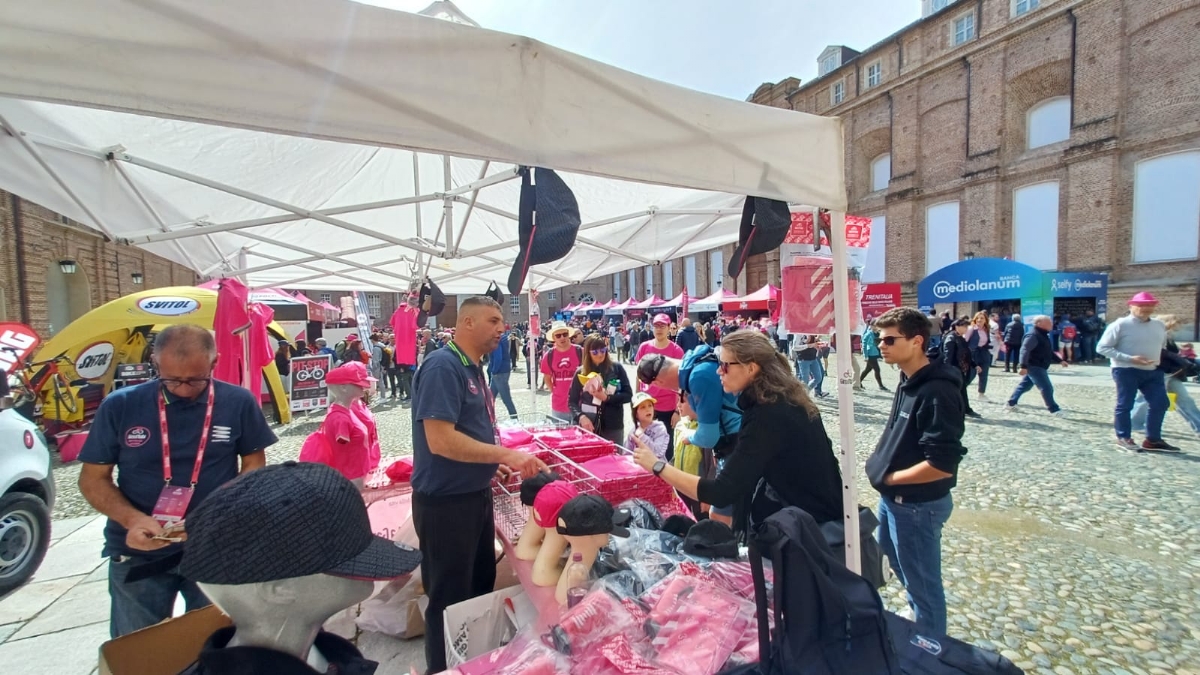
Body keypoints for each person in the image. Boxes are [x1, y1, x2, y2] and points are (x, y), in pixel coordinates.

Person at [77, 324, 276, 638]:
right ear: (155, 362)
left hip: (213, 548)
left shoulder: (238, 402)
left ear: (214, 363)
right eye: (172, 379)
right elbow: (93, 479)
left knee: (217, 646)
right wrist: (132, 519)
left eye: (196, 379)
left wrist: (219, 511)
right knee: (141, 653)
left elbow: (253, 463)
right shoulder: (121, 405)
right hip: (139, 554)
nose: (183, 388)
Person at [409, 296, 548, 674]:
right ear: (466, 323)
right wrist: (504, 456)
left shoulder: (473, 369)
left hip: (472, 497)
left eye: (502, 320)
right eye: (493, 320)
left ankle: (470, 664)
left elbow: (468, 433)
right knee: (450, 599)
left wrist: (489, 467)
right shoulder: (443, 366)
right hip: (446, 505)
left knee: (477, 587)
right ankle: (442, 667)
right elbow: (440, 440)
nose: (502, 328)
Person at [633, 330, 843, 531]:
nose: (718, 371)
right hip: (806, 515)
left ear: (751, 368)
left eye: (724, 366)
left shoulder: (769, 414)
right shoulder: (776, 398)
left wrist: (658, 466)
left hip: (813, 526)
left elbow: (722, 492)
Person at [865, 307, 967, 636]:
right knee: (897, 564)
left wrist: (893, 478)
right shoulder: (908, 378)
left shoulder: (937, 391)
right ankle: (920, 621)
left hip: (917, 504)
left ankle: (932, 648)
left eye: (890, 339)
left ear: (917, 341)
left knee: (924, 585)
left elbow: (942, 464)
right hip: (894, 500)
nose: (882, 345)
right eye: (880, 339)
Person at [638, 344, 744, 525]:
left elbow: (708, 436)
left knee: (719, 516)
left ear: (658, 383)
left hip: (736, 441)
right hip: (738, 435)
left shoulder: (698, 376)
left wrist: (689, 436)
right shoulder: (694, 359)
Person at [1097, 292, 1178, 453]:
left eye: (1149, 305)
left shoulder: (1159, 325)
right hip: (1126, 370)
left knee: (1161, 403)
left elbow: (1161, 347)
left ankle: (1153, 439)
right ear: (1131, 306)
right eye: (1141, 305)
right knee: (1125, 404)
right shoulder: (1120, 324)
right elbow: (1102, 348)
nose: (1146, 308)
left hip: (1152, 370)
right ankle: (1123, 437)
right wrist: (1129, 358)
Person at [1130, 315, 1200, 439]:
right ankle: (1134, 423)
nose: (1178, 328)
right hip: (1157, 371)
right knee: (1146, 399)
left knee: (1184, 400)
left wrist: (1181, 353)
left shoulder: (1168, 336)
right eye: (1176, 325)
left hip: (1170, 373)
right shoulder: (1155, 335)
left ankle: (1198, 426)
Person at [634, 314, 685, 454]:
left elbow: (681, 382)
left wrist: (677, 410)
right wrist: (637, 397)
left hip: (667, 407)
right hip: (646, 404)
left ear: (669, 328)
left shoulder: (676, 351)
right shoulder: (644, 347)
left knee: (664, 448)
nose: (659, 329)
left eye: (663, 326)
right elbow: (638, 375)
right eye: (656, 326)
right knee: (643, 443)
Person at [567, 335, 632, 442]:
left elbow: (628, 395)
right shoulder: (580, 372)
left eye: (603, 350)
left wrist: (607, 398)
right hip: (589, 425)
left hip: (613, 426)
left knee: (614, 457)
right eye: (595, 352)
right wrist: (581, 417)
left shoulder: (617, 368)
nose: (600, 354)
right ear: (588, 353)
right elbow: (571, 401)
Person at [1004, 315, 1068, 416]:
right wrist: (1023, 366)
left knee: (1024, 386)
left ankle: (1011, 403)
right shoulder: (1033, 335)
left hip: (1039, 365)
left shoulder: (1042, 334)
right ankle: (1054, 409)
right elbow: (1024, 350)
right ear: (1039, 324)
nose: (1051, 324)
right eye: (1048, 322)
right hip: (1034, 366)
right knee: (1046, 387)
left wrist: (1060, 361)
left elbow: (1048, 351)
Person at [540, 321, 582, 422]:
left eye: (565, 334)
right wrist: (555, 391)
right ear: (554, 338)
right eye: (558, 335)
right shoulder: (549, 356)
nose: (562, 338)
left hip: (579, 405)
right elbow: (547, 378)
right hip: (559, 407)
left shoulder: (580, 351)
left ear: (569, 335)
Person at [943, 318, 982, 418]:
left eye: (966, 327)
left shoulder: (960, 337)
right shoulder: (951, 338)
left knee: (961, 389)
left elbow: (966, 354)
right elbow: (948, 356)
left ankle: (965, 409)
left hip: (961, 369)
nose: (966, 329)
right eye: (964, 326)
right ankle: (954, 410)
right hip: (954, 369)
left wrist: (974, 365)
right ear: (957, 326)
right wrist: (948, 371)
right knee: (955, 391)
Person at [625, 392, 670, 459]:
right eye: (643, 407)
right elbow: (627, 455)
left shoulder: (660, 428)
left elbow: (658, 452)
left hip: (656, 468)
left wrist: (642, 436)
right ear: (636, 414)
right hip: (638, 468)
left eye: (650, 405)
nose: (648, 409)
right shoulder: (633, 432)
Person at [487, 326, 518, 419]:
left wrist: (494, 370)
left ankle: (515, 420)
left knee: (506, 398)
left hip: (499, 372)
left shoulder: (496, 340)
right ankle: (489, 419)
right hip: (502, 371)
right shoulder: (502, 338)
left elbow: (498, 357)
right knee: (490, 398)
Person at [965, 311, 993, 401]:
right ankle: (960, 390)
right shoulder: (971, 329)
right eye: (978, 318)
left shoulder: (986, 329)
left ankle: (981, 394)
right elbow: (965, 341)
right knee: (971, 374)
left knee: (984, 374)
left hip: (984, 353)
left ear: (985, 320)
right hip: (974, 353)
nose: (979, 320)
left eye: (982, 318)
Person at [860, 321, 888, 390]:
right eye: (874, 326)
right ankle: (881, 386)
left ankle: (858, 382)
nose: (876, 327)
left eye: (877, 326)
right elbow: (864, 344)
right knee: (877, 369)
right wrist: (865, 355)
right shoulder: (868, 334)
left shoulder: (879, 333)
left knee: (868, 369)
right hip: (870, 354)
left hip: (875, 353)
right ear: (871, 326)